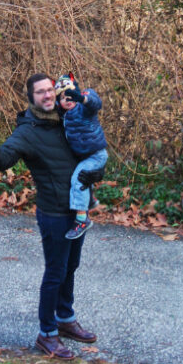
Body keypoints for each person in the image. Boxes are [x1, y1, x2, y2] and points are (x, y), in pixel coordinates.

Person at [0, 73, 105, 360]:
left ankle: (65, 319)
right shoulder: (28, 132)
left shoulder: (66, 117)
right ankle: (47, 333)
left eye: (49, 90)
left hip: (77, 209)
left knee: (71, 267)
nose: (46, 96)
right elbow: (1, 162)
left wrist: (96, 172)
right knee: (55, 273)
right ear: (31, 98)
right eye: (40, 92)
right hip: (54, 213)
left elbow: (87, 145)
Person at [54, 74, 108, 240]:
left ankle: (81, 220)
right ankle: (89, 201)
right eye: (63, 98)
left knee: (78, 178)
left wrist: (82, 98)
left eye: (70, 95)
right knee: (78, 174)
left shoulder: (84, 108)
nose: (67, 100)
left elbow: (95, 103)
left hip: (96, 154)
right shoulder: (65, 114)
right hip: (84, 155)